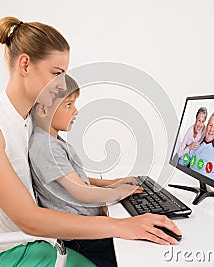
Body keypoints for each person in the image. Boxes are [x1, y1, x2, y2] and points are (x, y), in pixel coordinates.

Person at [0, 16, 181, 267]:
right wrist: (119, 225)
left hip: (38, 241)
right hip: (5, 254)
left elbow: (56, 181)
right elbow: (27, 219)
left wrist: (112, 186)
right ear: (25, 65)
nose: (63, 84)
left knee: (132, 253)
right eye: (56, 73)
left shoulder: (29, 123)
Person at [29, 74, 142, 267]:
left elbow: (75, 179)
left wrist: (111, 183)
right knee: (137, 254)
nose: (76, 110)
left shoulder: (52, 141)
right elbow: (81, 192)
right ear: (43, 109)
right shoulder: (45, 146)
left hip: (87, 233)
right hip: (81, 241)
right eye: (68, 105)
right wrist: (119, 192)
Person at [179, 112, 214, 184]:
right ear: (207, 126)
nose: (211, 129)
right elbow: (181, 163)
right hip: (189, 184)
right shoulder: (195, 146)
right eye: (210, 125)